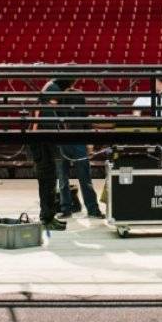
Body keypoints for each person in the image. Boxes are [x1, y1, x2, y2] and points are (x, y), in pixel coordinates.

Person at [53, 81, 104, 220]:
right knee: (63, 179)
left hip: (77, 139)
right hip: (63, 140)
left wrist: (89, 142)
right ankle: (67, 209)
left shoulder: (78, 95)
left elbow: (85, 118)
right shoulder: (56, 95)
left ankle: (91, 209)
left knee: (84, 177)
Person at [32, 78, 70, 230]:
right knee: (47, 183)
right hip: (42, 148)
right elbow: (51, 127)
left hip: (42, 147)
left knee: (49, 182)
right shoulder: (48, 104)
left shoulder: (47, 98)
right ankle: (47, 219)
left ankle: (49, 217)